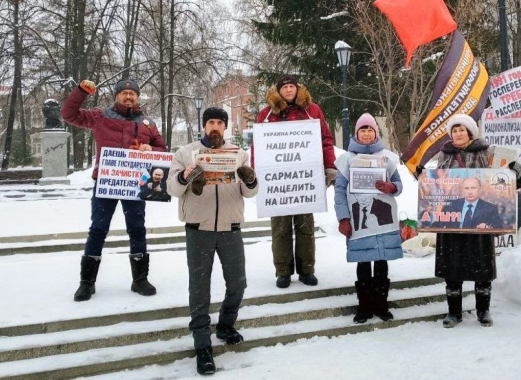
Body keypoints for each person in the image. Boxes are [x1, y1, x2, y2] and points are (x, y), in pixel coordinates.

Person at [168, 107, 259, 376]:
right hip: (199, 228)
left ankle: (226, 325)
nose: (215, 127)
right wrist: (186, 175)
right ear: (204, 126)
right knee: (199, 289)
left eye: (220, 122)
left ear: (225, 127)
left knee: (237, 284)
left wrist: (251, 179)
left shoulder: (238, 153)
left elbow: (249, 192)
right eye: (211, 122)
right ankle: (202, 345)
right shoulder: (185, 153)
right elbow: (173, 188)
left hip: (231, 227)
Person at [62, 79, 166, 302]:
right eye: (124, 93)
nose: (128, 97)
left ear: (137, 97)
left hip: (134, 183)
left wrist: (150, 147)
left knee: (137, 228)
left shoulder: (147, 123)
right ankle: (87, 282)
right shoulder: (101, 116)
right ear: (116, 96)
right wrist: (81, 92)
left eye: (132, 93)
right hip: (106, 183)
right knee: (98, 229)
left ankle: (140, 279)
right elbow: (69, 114)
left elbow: (161, 148)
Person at [417, 114, 521, 328]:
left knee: (482, 268)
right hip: (452, 219)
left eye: (462, 130)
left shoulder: (487, 152)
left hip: (481, 219)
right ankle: (453, 312)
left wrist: (512, 170)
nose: (458, 134)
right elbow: (436, 187)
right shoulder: (444, 155)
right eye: (454, 130)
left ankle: (483, 311)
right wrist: (423, 177)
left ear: (470, 132)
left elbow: (511, 177)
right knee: (452, 269)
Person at [254, 75, 337, 288]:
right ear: (278, 91)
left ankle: (306, 269)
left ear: (297, 89)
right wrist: (255, 172)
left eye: (292, 86)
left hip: (305, 181)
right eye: (285, 87)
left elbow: (326, 140)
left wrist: (330, 166)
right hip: (278, 184)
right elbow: (258, 146)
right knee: (280, 229)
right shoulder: (266, 114)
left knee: (305, 227)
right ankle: (283, 271)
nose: (289, 90)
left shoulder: (312, 110)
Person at [334, 114, 403, 323]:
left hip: (382, 217)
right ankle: (364, 306)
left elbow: (398, 184)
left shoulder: (387, 157)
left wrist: (392, 187)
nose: (366, 133)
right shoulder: (346, 159)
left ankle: (381, 304)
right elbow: (339, 190)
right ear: (357, 134)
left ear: (376, 133)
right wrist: (343, 218)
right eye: (362, 130)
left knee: (381, 261)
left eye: (370, 130)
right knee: (363, 262)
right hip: (358, 219)